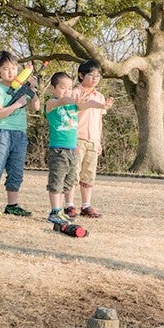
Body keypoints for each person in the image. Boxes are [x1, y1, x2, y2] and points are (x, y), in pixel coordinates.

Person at [45, 72, 111, 225]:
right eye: (63, 88)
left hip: (73, 149)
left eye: (69, 88)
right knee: (57, 181)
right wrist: (71, 97)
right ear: (52, 89)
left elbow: (87, 104)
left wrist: (102, 105)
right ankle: (55, 211)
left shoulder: (73, 106)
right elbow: (62, 100)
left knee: (68, 181)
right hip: (58, 150)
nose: (67, 91)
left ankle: (60, 211)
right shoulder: (51, 103)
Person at [0, 50, 40, 217]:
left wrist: (32, 88)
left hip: (19, 134)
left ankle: (12, 205)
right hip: (1, 133)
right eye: (6, 69)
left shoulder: (22, 87)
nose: (11, 72)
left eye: (14, 68)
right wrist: (17, 105)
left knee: (16, 171)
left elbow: (36, 107)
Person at [64, 60, 114, 219]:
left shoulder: (100, 96)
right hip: (76, 138)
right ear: (81, 75)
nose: (95, 78)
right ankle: (69, 205)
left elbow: (99, 121)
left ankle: (86, 205)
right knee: (73, 173)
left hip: (93, 140)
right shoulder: (74, 93)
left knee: (88, 174)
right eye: (91, 75)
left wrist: (99, 141)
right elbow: (67, 117)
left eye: (98, 76)